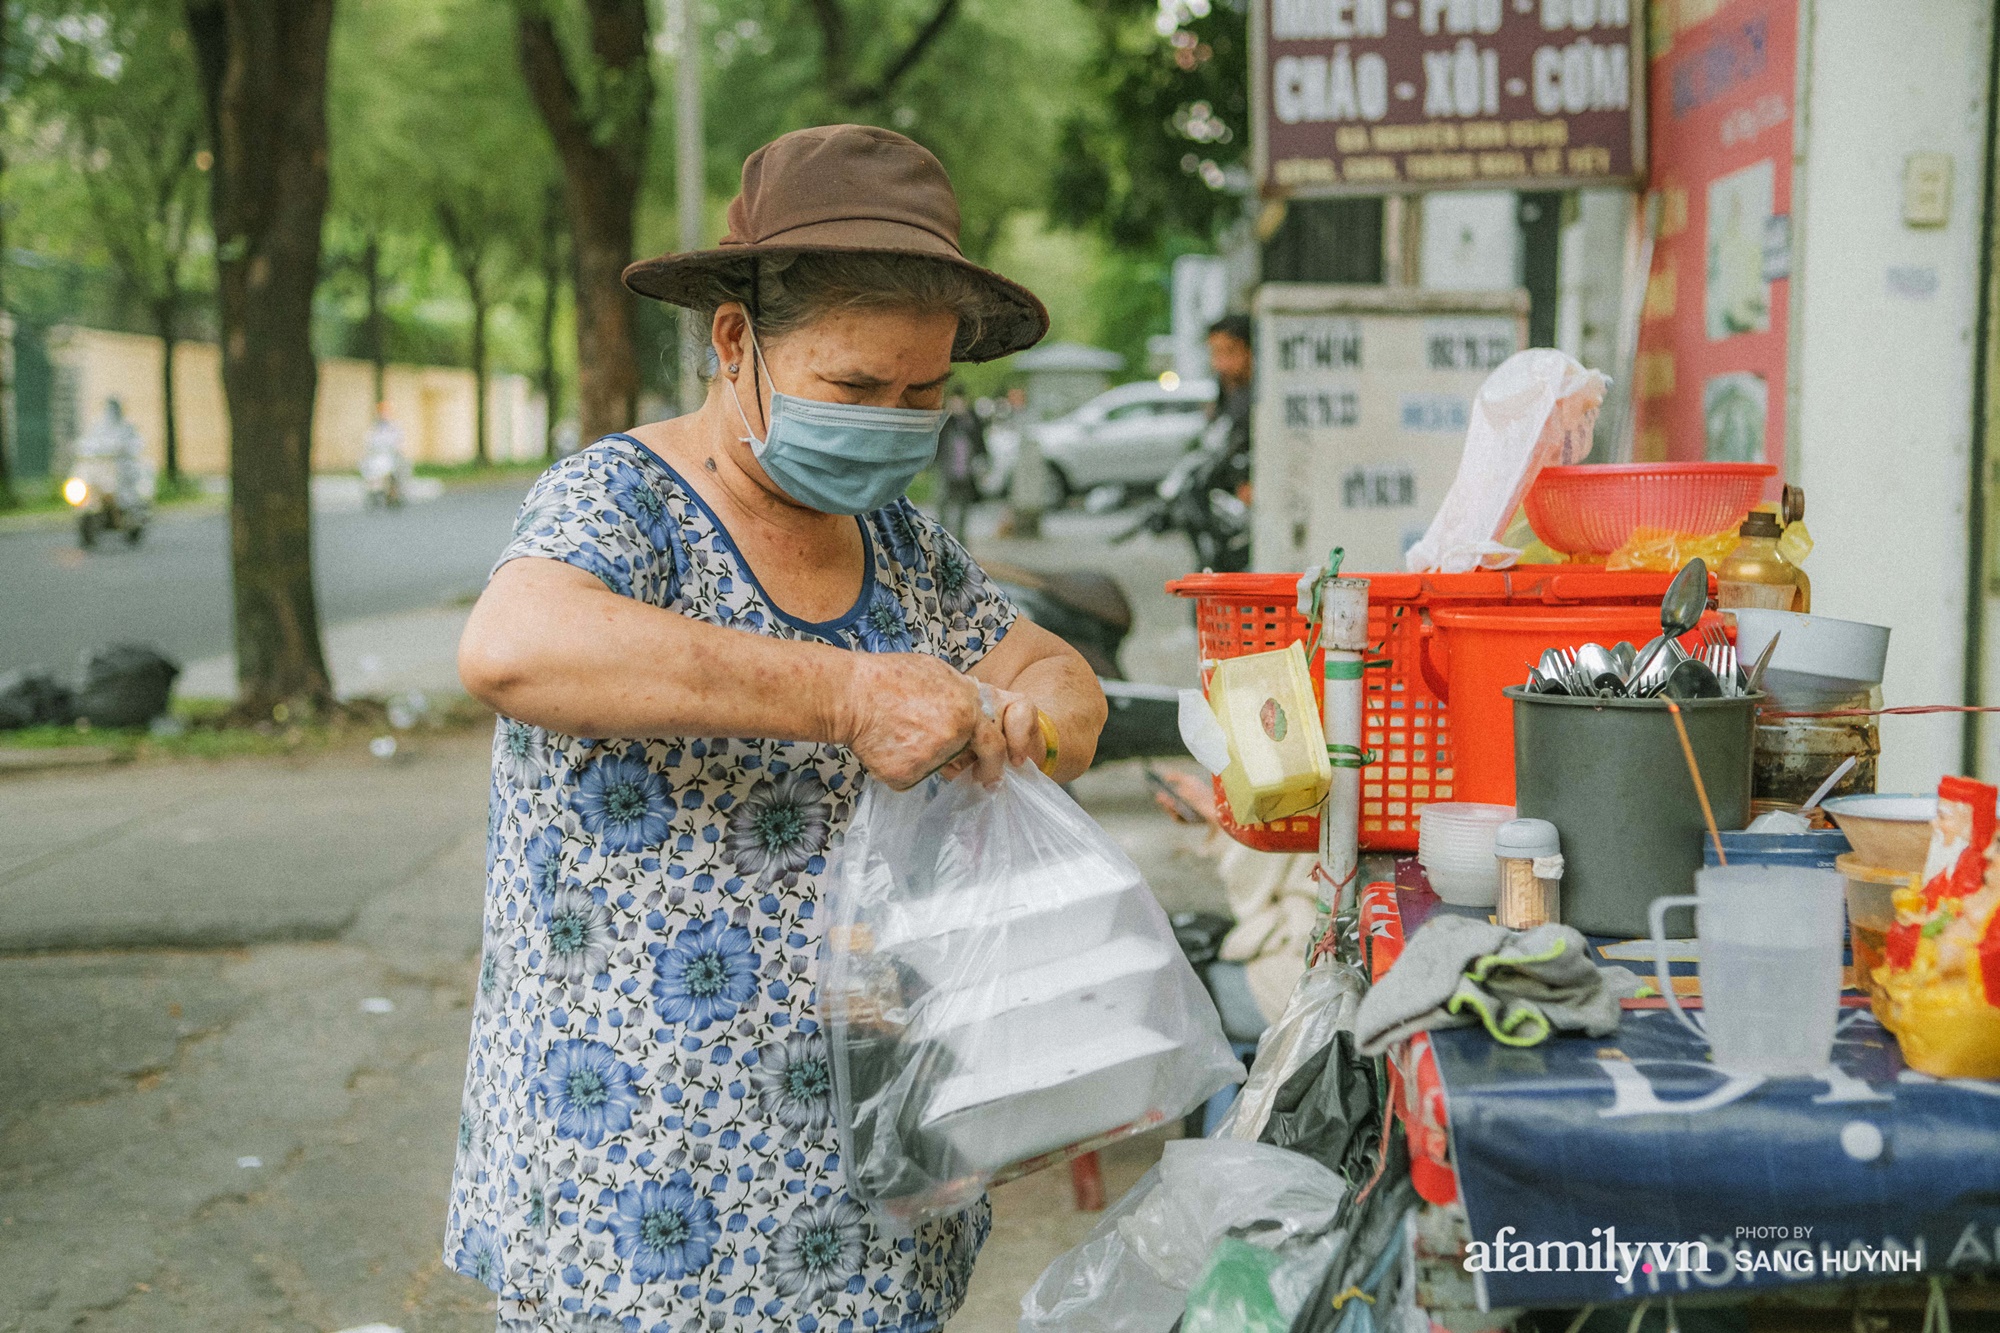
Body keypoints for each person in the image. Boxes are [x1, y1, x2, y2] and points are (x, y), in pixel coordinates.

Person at [446, 124, 1107, 1333]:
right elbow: (513, 645)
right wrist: (848, 695)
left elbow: (1063, 679)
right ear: (736, 341)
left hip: (869, 1179)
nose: (894, 422)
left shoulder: (906, 547)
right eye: (856, 388)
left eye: (923, 394)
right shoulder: (619, 501)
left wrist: (1028, 726)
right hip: (645, 1189)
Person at [1205, 313, 1255, 498]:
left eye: (1229, 351)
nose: (1220, 364)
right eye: (1214, 353)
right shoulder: (1226, 389)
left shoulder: (1264, 397)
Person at [937, 384, 987, 538]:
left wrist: (983, 464)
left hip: (966, 469)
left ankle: (960, 538)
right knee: (944, 503)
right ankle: (942, 536)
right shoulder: (946, 420)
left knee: (963, 506)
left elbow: (980, 443)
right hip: (947, 468)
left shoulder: (971, 420)